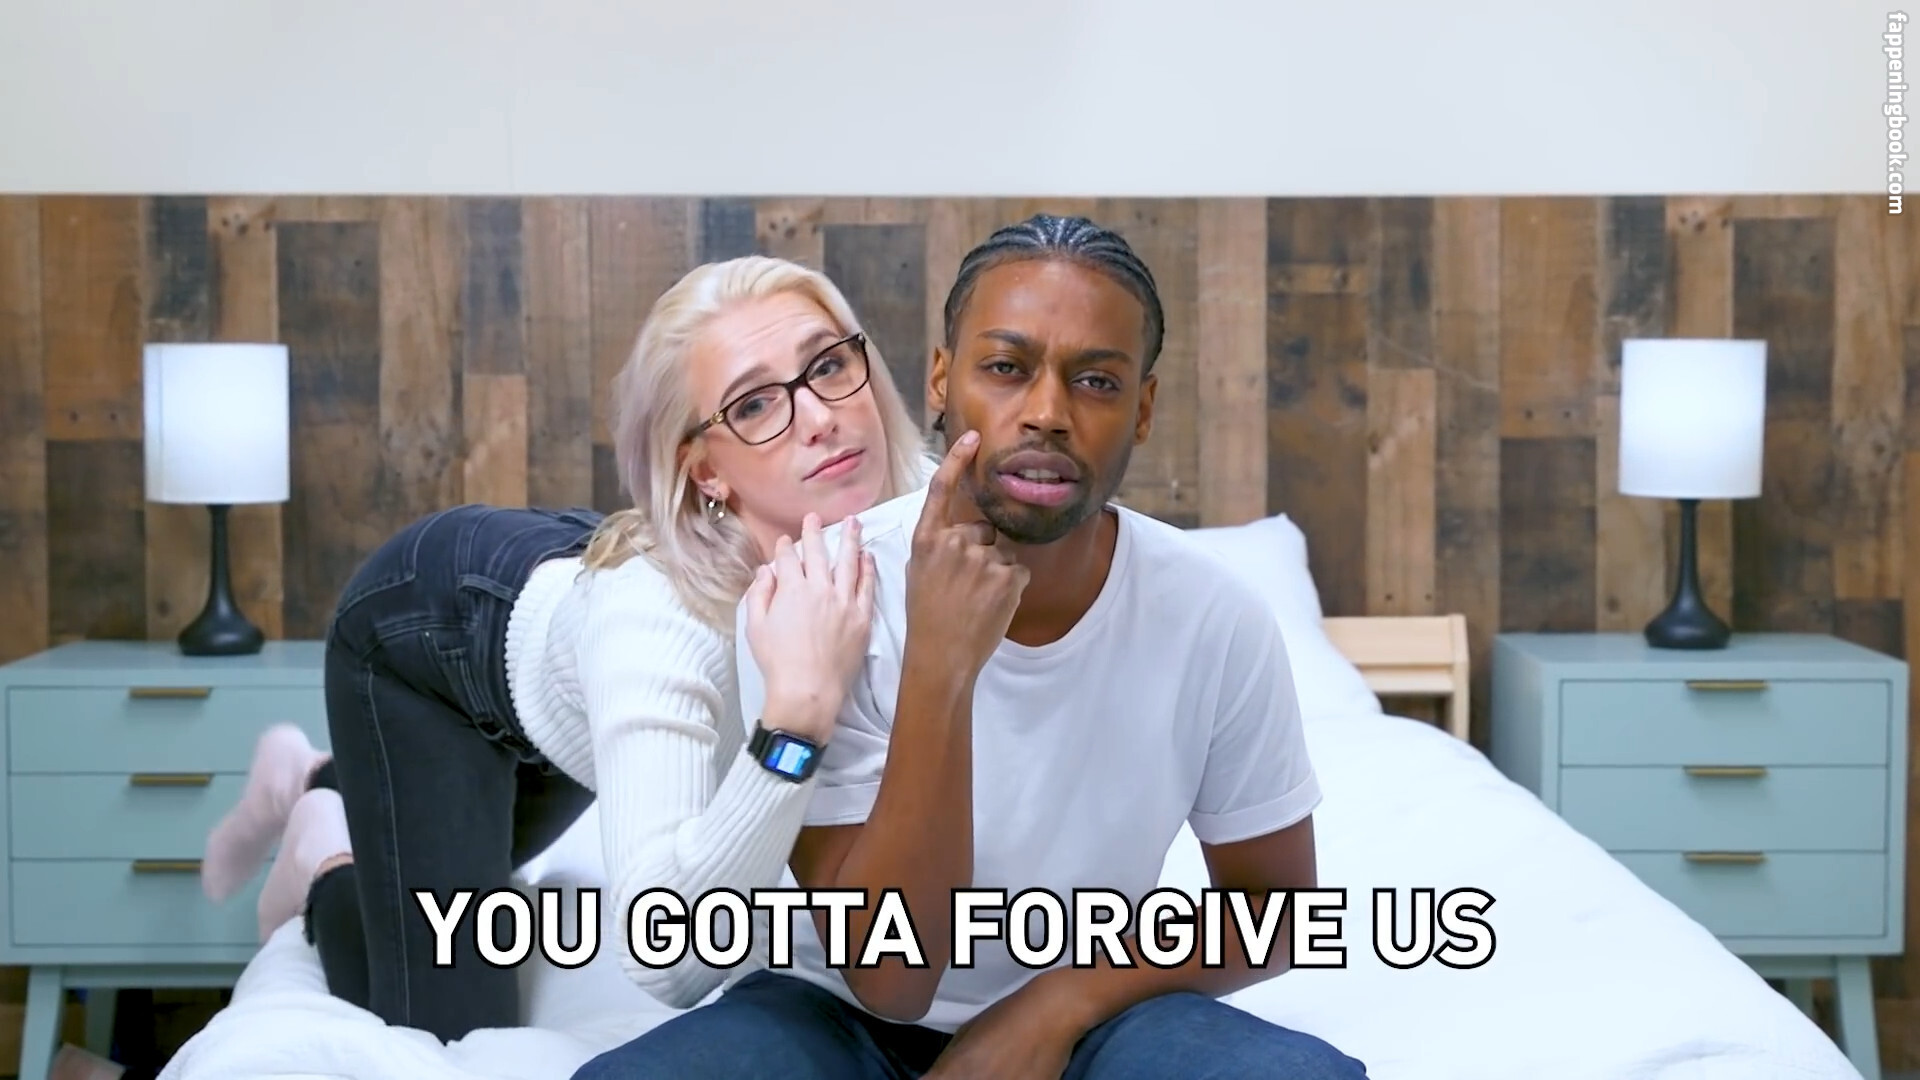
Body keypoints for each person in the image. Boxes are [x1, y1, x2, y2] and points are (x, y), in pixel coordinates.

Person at [571, 214, 1369, 1080]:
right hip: (832, 1013)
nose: (1048, 414)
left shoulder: (1214, 617)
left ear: (1142, 411)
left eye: (1096, 381)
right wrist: (940, 665)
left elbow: (1275, 907)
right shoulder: (816, 597)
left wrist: (1061, 1004)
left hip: (1091, 1012)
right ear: (942, 379)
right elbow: (891, 976)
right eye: (1006, 368)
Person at [196, 254, 936, 1045]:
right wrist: (797, 721)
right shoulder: (660, 621)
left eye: (828, 365)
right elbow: (669, 954)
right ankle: (321, 841)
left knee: (468, 849)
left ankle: (331, 775)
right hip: (428, 650)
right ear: (706, 472)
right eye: (755, 405)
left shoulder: (933, 511)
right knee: (445, 1012)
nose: (820, 416)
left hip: (569, 658)